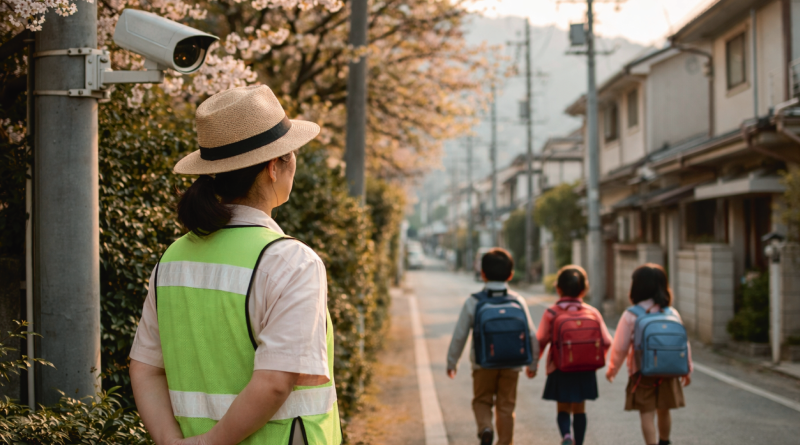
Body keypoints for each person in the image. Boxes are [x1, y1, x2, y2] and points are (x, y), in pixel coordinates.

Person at [129, 85, 341, 445]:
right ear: (273, 167)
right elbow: (275, 382)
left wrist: (172, 442)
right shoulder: (291, 262)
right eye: (291, 154)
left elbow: (145, 367)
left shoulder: (173, 258)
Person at [446, 248, 539, 445]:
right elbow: (531, 335)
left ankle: (485, 428)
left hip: (483, 364)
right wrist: (533, 364)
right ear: (511, 274)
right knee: (506, 406)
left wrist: (452, 362)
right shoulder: (518, 301)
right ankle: (504, 442)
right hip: (512, 365)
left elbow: (460, 335)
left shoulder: (473, 302)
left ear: (483, 274)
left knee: (482, 400)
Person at [606, 263, 692, 445]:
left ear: (636, 287)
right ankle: (665, 441)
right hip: (670, 370)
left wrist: (613, 369)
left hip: (642, 372)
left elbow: (620, 346)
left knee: (647, 412)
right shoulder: (671, 313)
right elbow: (683, 344)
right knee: (664, 409)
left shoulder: (631, 314)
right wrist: (687, 368)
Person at [536, 266, 612, 445]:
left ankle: (566, 436)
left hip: (560, 367)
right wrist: (594, 359)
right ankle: (579, 441)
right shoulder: (592, 312)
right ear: (584, 290)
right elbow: (607, 341)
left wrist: (534, 365)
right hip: (585, 369)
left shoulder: (552, 313)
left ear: (558, 289)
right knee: (580, 408)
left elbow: (540, 340)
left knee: (563, 406)